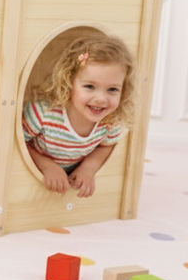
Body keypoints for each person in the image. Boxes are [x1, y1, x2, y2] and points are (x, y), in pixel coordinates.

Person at [22, 32, 136, 198]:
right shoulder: (42, 114)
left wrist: (88, 169)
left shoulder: (111, 121)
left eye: (112, 89)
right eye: (90, 86)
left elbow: (107, 146)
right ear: (68, 83)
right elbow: (19, 144)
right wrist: (47, 166)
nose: (101, 99)